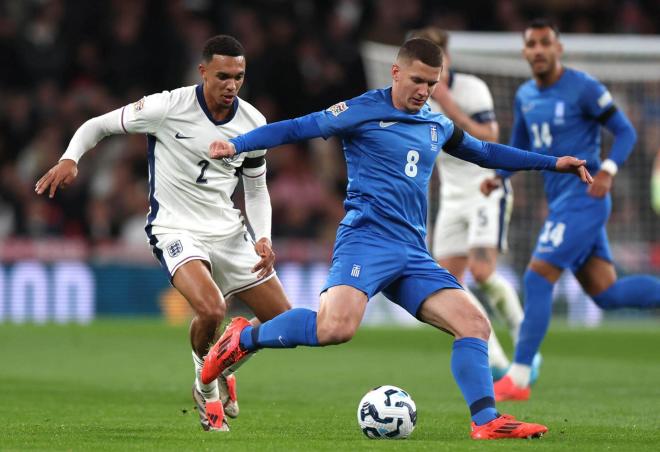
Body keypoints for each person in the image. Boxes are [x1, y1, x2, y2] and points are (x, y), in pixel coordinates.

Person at [201, 38, 593, 439]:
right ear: (396, 72)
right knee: (335, 328)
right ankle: (244, 337)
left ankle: (487, 421)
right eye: (418, 80)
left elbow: (487, 152)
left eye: (433, 84)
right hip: (366, 241)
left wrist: (553, 163)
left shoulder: (437, 124)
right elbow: (298, 127)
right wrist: (236, 144)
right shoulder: (361, 110)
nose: (424, 91)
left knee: (474, 324)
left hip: (411, 252)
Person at [34, 35, 292, 431]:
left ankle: (222, 360)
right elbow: (98, 125)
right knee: (211, 308)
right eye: (222, 75)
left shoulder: (254, 123)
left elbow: (256, 188)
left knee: (283, 323)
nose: (231, 85)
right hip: (176, 227)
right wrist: (70, 158)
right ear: (202, 71)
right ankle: (206, 392)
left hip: (229, 232)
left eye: (238, 76)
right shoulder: (167, 107)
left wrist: (264, 238)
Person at [481, 19, 660, 402]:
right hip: (562, 203)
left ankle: (520, 377)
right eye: (532, 44)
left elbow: (626, 131)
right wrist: (499, 177)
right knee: (607, 294)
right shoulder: (526, 95)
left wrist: (608, 171)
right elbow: (520, 148)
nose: (539, 50)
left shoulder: (584, 87)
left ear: (558, 49)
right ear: (525, 52)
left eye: (546, 43)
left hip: (586, 197)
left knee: (536, 277)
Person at [409, 27, 539, 381]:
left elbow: (490, 138)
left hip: (485, 188)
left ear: (446, 59)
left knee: (483, 272)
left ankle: (528, 345)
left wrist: (450, 105)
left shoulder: (472, 88)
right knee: (449, 282)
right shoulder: (413, 97)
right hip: (451, 197)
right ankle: (497, 363)